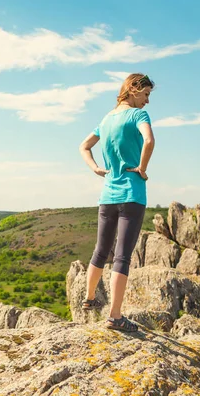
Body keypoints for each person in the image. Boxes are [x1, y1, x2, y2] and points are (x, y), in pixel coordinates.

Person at [78, 73, 155, 332]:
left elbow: (84, 146)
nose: (146, 101)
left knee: (101, 250)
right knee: (121, 256)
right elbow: (149, 140)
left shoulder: (106, 119)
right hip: (132, 195)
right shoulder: (138, 116)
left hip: (108, 195)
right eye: (145, 94)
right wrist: (142, 168)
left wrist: (96, 169)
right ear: (133, 89)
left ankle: (89, 298)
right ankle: (115, 316)